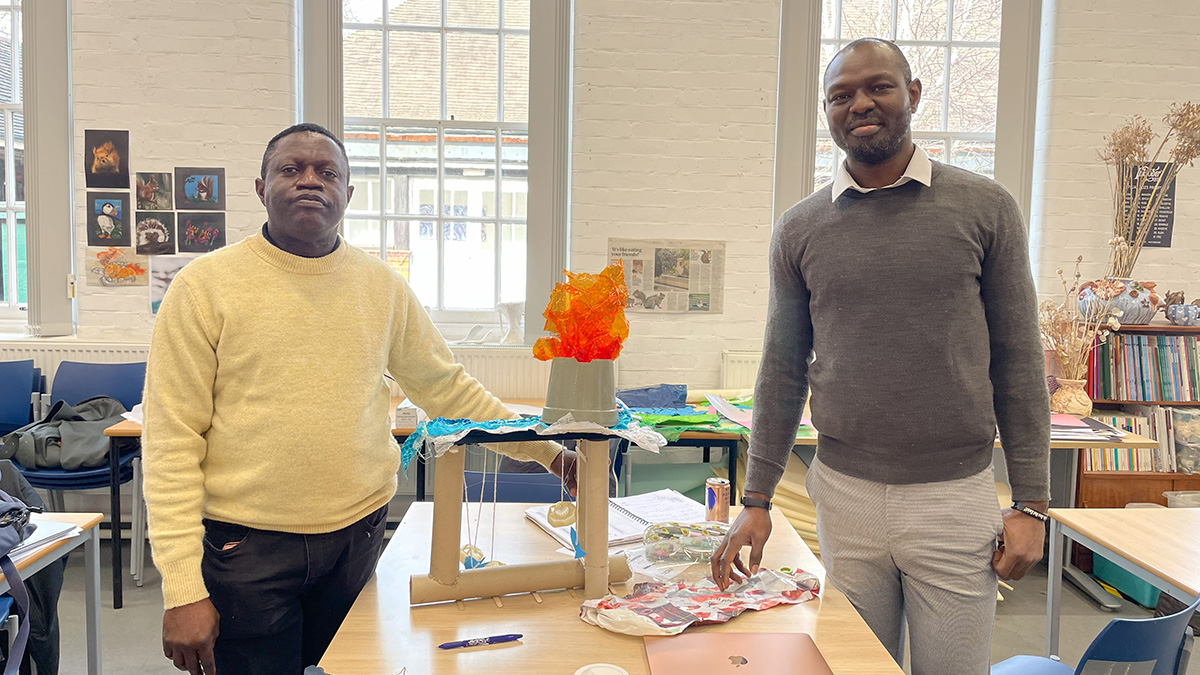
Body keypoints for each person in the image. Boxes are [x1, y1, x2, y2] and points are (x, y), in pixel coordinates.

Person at [143, 122, 577, 675]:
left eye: (327, 172)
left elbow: (447, 388)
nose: (309, 180)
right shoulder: (203, 287)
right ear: (260, 188)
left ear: (347, 194)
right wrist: (182, 588)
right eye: (290, 169)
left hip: (358, 537)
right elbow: (172, 442)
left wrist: (548, 453)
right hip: (247, 550)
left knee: (347, 667)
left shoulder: (381, 287)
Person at [712, 39, 1050, 674]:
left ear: (913, 94)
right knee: (857, 667)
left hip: (954, 496)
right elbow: (782, 368)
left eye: (879, 87)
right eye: (841, 95)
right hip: (845, 497)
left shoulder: (985, 208)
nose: (860, 104)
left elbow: (1019, 360)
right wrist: (756, 498)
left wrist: (1031, 503)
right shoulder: (800, 228)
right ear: (827, 111)